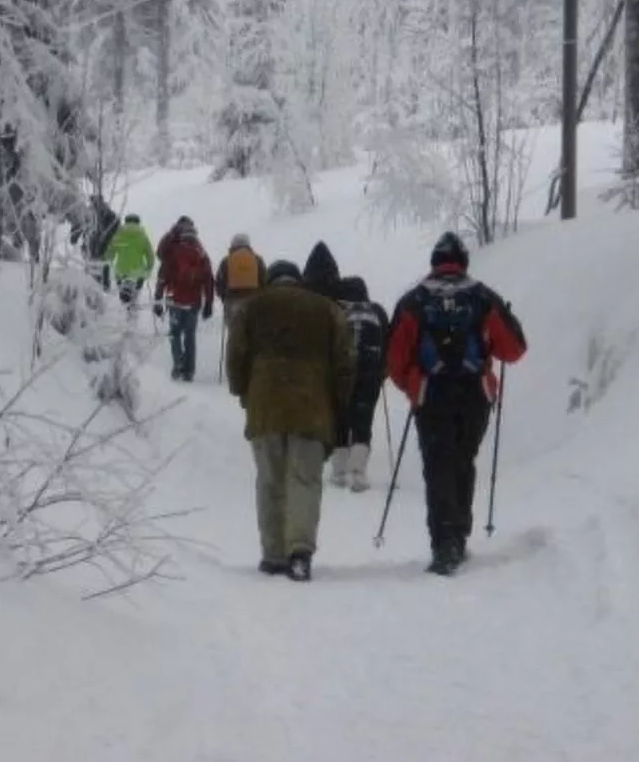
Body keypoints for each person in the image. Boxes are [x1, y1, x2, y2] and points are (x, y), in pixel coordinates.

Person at [386, 231, 527, 576]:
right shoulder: (482, 297)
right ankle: (459, 534)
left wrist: (413, 384)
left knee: (438, 465)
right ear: (463, 261)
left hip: (431, 394)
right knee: (463, 460)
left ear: (434, 262)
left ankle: (444, 542)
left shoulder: (413, 302)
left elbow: (393, 359)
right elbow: (514, 349)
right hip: (474, 394)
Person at [226, 259, 355, 582]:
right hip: (312, 408)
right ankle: (299, 552)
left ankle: (272, 555)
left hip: (265, 406)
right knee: (304, 480)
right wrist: (339, 402)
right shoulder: (327, 309)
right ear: (298, 281)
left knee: (270, 480)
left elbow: (235, 357)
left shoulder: (251, 308)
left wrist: (244, 392)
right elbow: (345, 362)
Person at [330, 274, 390, 493]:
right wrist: (382, 372)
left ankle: (338, 471)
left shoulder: (337, 311)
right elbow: (387, 343)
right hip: (370, 373)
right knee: (363, 420)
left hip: (342, 373)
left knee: (341, 418)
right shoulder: (377, 312)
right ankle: (358, 473)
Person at [153, 216, 215, 381]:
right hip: (193, 301)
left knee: (174, 334)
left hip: (175, 299)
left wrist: (158, 299)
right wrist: (209, 302)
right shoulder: (200, 251)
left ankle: (178, 364)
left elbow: (163, 276)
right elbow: (208, 279)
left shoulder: (172, 250)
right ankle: (189, 371)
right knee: (190, 335)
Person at [105, 213, 154, 318]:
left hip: (121, 272)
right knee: (134, 300)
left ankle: (124, 323)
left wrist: (109, 264)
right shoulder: (143, 237)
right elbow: (150, 256)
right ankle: (132, 322)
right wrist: (148, 269)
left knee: (124, 301)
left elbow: (109, 254)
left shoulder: (119, 235)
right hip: (138, 274)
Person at [215, 233, 268, 324]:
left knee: (234, 332)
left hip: (232, 301)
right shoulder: (257, 259)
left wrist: (224, 297)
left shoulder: (227, 260)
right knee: (253, 330)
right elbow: (264, 280)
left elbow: (220, 282)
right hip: (254, 300)